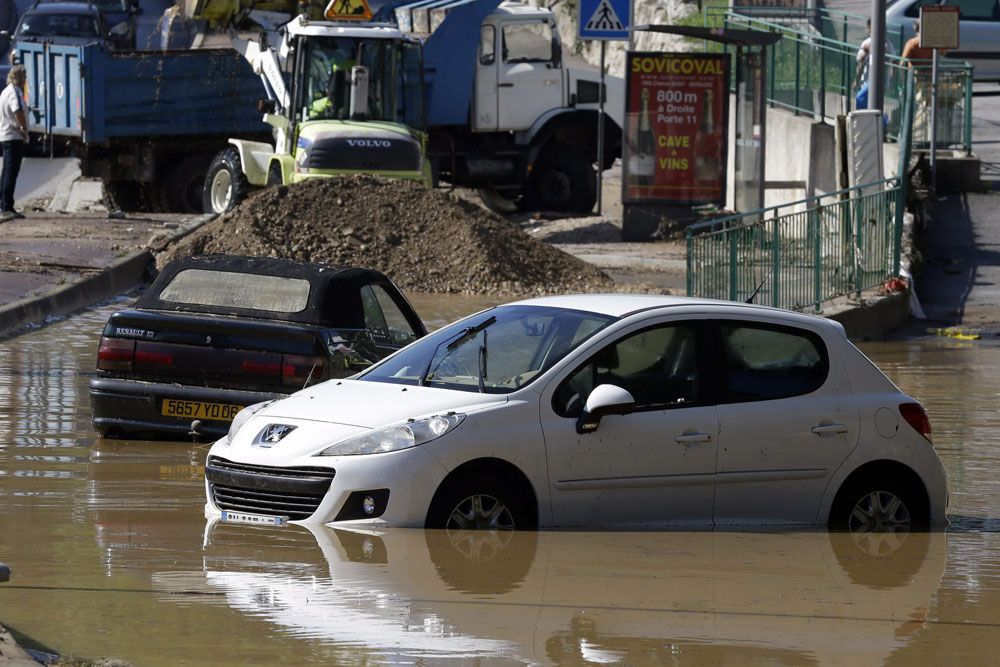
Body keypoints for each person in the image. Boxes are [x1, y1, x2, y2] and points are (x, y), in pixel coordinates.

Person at [0, 65, 28, 220]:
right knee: (11, 172)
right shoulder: (15, 92)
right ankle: (6, 206)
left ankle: (3, 203)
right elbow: (17, 110)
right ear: (20, 78)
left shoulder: (5, 91)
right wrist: (23, 127)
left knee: (6, 172)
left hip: (6, 135)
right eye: (24, 77)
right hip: (13, 136)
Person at [855, 18, 896, 110]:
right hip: (878, 81)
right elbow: (894, 61)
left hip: (873, 80)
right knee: (872, 104)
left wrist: (856, 79)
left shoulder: (870, 43)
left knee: (860, 99)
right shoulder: (888, 44)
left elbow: (860, 62)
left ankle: (864, 121)